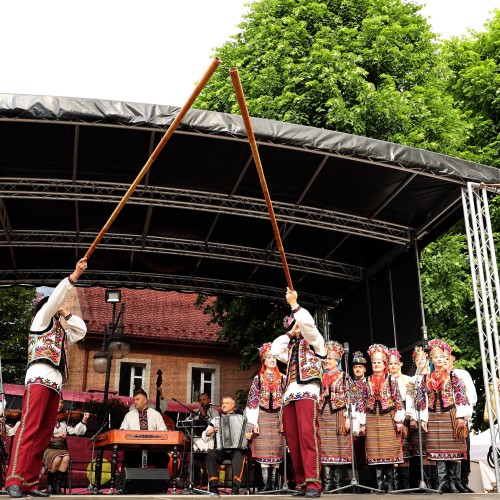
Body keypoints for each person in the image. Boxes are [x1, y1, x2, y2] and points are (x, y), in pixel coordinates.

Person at [5, 258, 88, 499]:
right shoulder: (39, 322)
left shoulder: (61, 335)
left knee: (42, 435)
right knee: (29, 429)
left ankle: (30, 482)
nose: (56, 310)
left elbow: (81, 331)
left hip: (55, 385)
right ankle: (14, 480)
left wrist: (68, 313)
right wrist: (74, 276)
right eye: (54, 308)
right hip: (38, 378)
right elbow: (53, 301)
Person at [271, 288, 326, 498]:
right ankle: (302, 482)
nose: (298, 328)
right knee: (293, 440)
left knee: (308, 436)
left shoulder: (316, 343)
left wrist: (295, 306)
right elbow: (274, 351)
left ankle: (314, 483)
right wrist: (289, 333)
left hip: (308, 393)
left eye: (297, 325)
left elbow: (309, 327)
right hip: (290, 396)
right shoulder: (291, 348)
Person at [408, 339, 471, 493]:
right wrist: (422, 418)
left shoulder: (453, 376)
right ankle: (443, 481)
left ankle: (453, 481)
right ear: (431, 360)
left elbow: (461, 396)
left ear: (447, 359)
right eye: (436, 358)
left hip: (451, 414)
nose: (440, 360)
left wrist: (462, 416)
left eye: (443, 357)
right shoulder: (426, 378)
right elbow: (422, 399)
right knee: (438, 448)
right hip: (434, 416)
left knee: (454, 447)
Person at [357, 344, 405, 493]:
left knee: (389, 450)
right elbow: (361, 402)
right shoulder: (366, 382)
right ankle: (379, 483)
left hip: (388, 417)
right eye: (374, 362)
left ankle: (389, 483)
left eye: (379, 362)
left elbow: (398, 400)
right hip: (371, 417)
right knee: (374, 450)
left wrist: (399, 421)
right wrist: (362, 423)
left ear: (384, 364)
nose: (376, 365)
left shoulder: (391, 380)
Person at [245, 343, 285, 492]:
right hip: (262, 416)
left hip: (277, 417)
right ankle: (265, 484)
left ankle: (274, 484)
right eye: (269, 357)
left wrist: (284, 420)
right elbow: (252, 401)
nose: (272, 360)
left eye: (274, 357)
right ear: (264, 361)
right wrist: (253, 422)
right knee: (263, 451)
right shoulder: (258, 379)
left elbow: (286, 401)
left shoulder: (283, 378)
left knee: (276, 450)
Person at [318, 341, 353, 493]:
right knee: (324, 447)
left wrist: (348, 417)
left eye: (330, 359)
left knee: (338, 447)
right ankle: (327, 483)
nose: (327, 361)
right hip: (323, 415)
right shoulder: (319, 377)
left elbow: (352, 398)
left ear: (337, 361)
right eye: (326, 359)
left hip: (339, 414)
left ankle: (338, 484)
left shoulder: (344, 376)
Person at [202, 396, 252, 496]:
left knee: (239, 454)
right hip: (221, 450)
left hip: (236, 450)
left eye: (226, 403)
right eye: (223, 403)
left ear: (233, 406)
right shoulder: (216, 420)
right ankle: (213, 487)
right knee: (211, 454)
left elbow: (250, 433)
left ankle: (235, 488)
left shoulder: (242, 419)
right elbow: (204, 437)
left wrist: (250, 436)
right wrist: (208, 432)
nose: (223, 405)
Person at [445, 347, 477, 493]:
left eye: (447, 356)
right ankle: (447, 482)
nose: (444, 359)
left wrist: (463, 413)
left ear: (453, 358)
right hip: (443, 416)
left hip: (460, 415)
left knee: (464, 449)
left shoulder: (462, 373)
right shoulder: (434, 375)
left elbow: (471, 395)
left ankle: (462, 481)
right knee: (443, 449)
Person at [43, 400, 89, 494]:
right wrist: (54, 435)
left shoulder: (64, 419)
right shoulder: (46, 417)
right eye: (58, 402)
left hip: (61, 447)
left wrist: (84, 421)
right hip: (48, 447)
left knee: (66, 458)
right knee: (57, 459)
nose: (60, 405)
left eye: (62, 403)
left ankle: (57, 484)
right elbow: (41, 433)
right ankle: (49, 484)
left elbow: (76, 431)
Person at [119, 389, 169, 469]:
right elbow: (122, 431)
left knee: (164, 458)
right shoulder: (128, 415)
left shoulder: (155, 414)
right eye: (134, 399)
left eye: (137, 399)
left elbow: (163, 432)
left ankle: (158, 481)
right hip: (134, 450)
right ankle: (133, 480)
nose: (135, 402)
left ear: (145, 400)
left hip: (153, 450)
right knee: (129, 457)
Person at [387, 348, 412, 490]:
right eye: (390, 364)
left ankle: (405, 483)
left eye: (395, 363)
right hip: (388, 416)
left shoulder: (408, 380)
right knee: (391, 449)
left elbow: (410, 400)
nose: (393, 366)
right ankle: (393, 483)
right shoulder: (384, 380)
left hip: (403, 416)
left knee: (404, 450)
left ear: (401, 364)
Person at [192, 393, 220, 487]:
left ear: (209, 400)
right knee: (195, 463)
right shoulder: (195, 411)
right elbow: (188, 421)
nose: (202, 401)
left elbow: (214, 424)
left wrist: (204, 415)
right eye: (201, 400)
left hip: (209, 441)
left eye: (204, 399)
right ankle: (196, 484)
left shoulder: (214, 412)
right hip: (197, 441)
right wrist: (193, 416)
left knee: (206, 464)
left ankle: (205, 484)